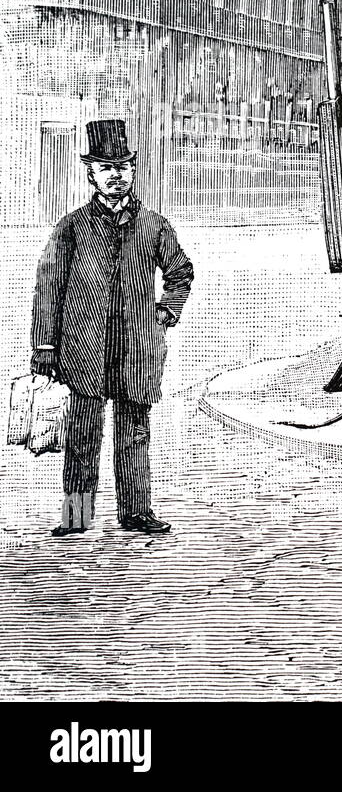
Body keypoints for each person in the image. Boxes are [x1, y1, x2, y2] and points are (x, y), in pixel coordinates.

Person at [31, 120, 194, 536]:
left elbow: (180, 272)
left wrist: (165, 312)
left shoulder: (154, 225)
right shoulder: (70, 228)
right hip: (82, 349)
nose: (116, 174)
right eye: (106, 167)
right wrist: (45, 347)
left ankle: (136, 512)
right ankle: (75, 516)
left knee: (134, 433)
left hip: (137, 348)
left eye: (122, 165)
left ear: (133, 170)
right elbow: (49, 287)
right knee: (82, 436)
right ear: (91, 174)